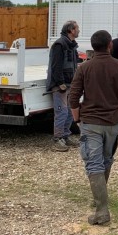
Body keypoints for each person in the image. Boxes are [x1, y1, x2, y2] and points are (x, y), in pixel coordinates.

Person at [69, 29, 118, 226]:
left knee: (93, 164)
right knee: (106, 160)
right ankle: (99, 200)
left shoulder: (84, 68)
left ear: (93, 47)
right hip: (113, 122)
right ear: (110, 46)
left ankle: (102, 209)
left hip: (91, 123)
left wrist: (77, 118)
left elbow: (73, 96)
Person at [46, 20, 80, 152]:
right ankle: (57, 139)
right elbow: (56, 66)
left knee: (70, 111)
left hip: (69, 83)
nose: (78, 31)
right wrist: (60, 83)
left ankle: (65, 136)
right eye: (77, 28)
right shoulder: (60, 45)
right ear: (71, 30)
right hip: (60, 85)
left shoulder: (71, 45)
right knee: (62, 111)